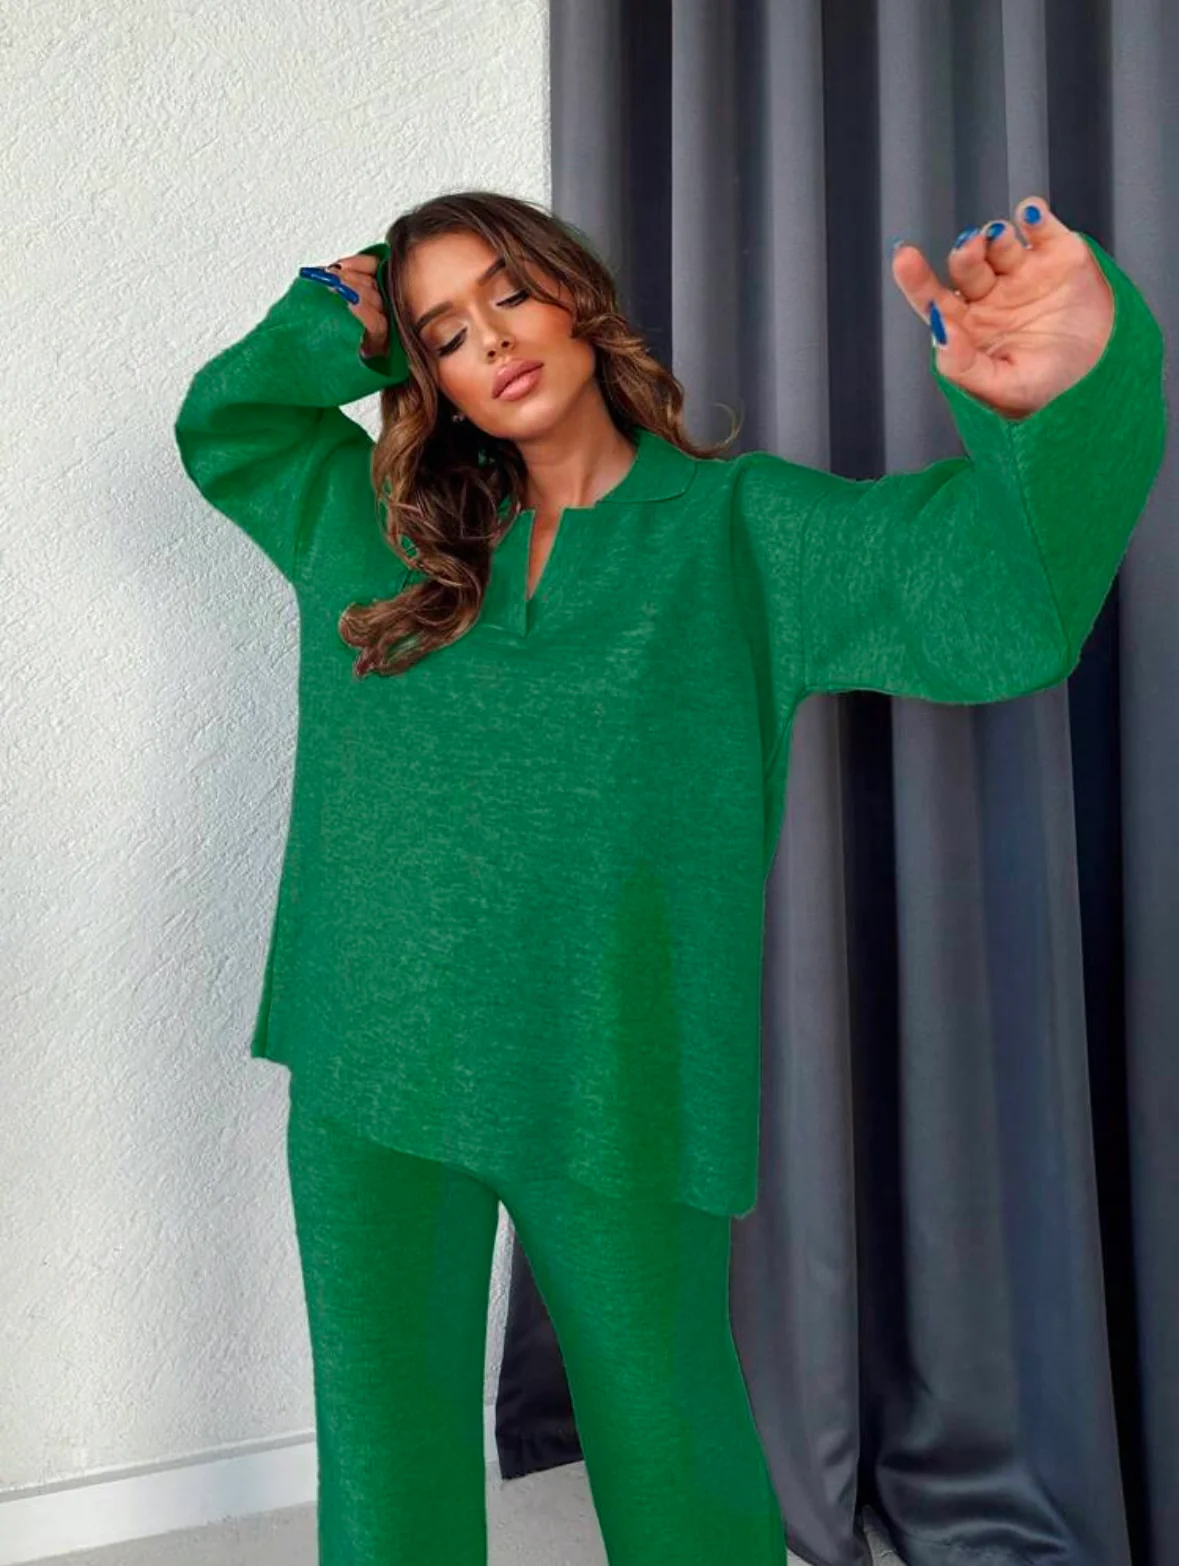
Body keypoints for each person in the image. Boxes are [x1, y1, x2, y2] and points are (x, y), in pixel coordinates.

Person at [173, 189, 1166, 1565]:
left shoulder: (741, 529)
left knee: (673, 1444)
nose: (489, 341)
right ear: (426, 375)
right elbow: (226, 424)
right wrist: (337, 315)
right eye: (443, 332)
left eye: (509, 293)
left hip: (615, 1070)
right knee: (384, 1448)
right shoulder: (369, 526)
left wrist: (1061, 393)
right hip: (371, 1058)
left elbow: (1001, 606)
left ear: (577, 296)